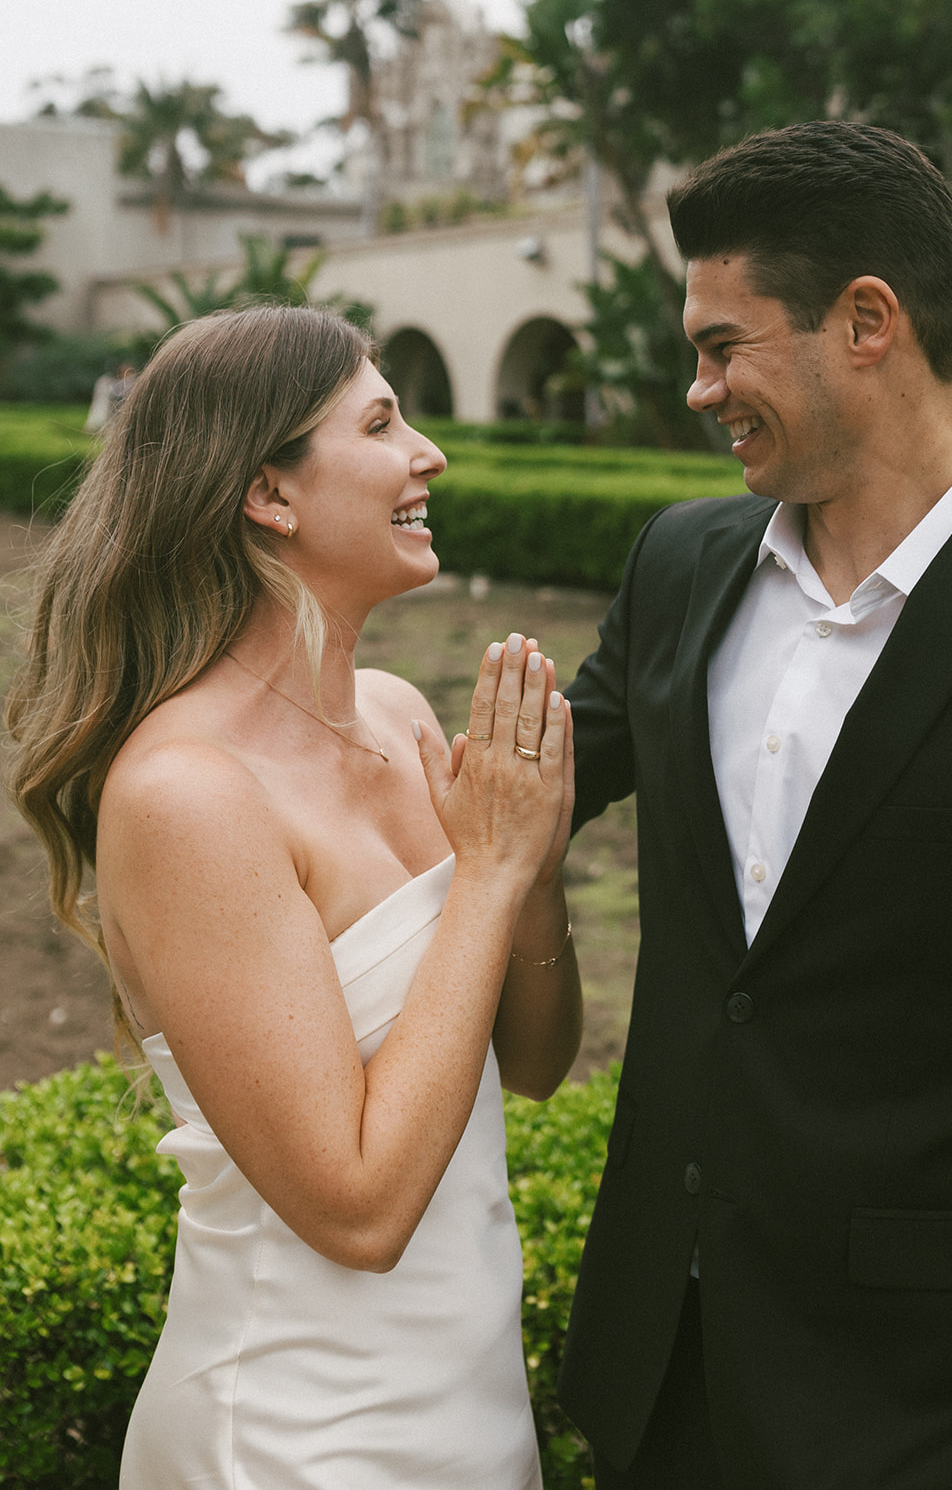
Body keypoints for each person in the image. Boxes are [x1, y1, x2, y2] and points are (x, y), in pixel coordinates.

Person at [556, 122, 952, 1490]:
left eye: (721, 345)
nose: (696, 387)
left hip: (938, 1411)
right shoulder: (678, 561)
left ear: (864, 322)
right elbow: (509, 792)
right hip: (662, 1367)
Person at [5, 303, 582, 1489]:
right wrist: (482, 872)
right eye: (381, 422)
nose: (428, 451)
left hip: (473, 1413)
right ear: (270, 494)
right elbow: (358, 1211)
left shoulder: (401, 715)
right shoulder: (186, 792)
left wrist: (529, 867)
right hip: (293, 1434)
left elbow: (533, 1060)